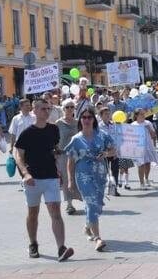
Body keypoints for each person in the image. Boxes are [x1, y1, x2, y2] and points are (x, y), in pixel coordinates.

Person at [13, 99, 74, 262]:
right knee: (33, 213)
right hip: (33, 179)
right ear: (35, 111)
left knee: (55, 211)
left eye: (48, 109)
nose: (46, 112)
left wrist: (58, 152)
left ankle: (61, 248)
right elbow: (18, 155)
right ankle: (33, 244)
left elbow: (52, 148)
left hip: (51, 177)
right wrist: (25, 174)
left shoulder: (53, 130)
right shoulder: (27, 132)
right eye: (43, 109)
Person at [66, 108, 115, 252]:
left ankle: (88, 227)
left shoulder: (102, 135)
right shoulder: (76, 139)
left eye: (89, 117)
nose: (86, 120)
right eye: (84, 117)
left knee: (98, 205)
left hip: (100, 174)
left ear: (93, 120)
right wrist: (70, 180)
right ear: (80, 120)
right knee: (92, 203)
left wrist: (106, 153)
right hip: (83, 175)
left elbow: (114, 150)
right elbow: (70, 161)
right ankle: (98, 238)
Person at [55, 100, 82, 214]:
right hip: (63, 154)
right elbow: (54, 139)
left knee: (78, 177)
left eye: (72, 107)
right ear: (63, 109)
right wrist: (55, 152)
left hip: (77, 154)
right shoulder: (58, 123)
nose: (70, 109)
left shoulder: (78, 122)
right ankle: (69, 204)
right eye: (67, 107)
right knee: (66, 179)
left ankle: (83, 198)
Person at [132, 109, 158, 190]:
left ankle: (146, 178)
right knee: (140, 164)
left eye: (144, 114)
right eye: (141, 114)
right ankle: (141, 183)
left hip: (148, 146)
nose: (143, 116)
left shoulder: (148, 123)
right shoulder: (133, 125)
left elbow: (153, 135)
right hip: (138, 148)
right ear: (136, 115)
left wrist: (149, 129)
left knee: (147, 163)